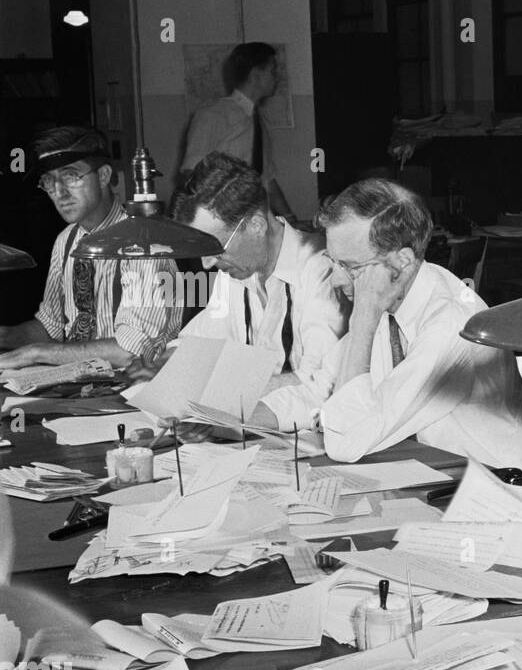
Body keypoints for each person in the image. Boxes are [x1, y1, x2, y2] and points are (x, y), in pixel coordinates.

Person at [315, 178, 522, 477]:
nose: (337, 281)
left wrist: (362, 323)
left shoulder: (452, 322)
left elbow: (345, 442)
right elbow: (322, 386)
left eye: (351, 267)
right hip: (433, 472)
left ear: (403, 260)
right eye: (332, 263)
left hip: (496, 488)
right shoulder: (394, 297)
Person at [169, 153, 346, 430]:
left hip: (310, 438)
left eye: (215, 247)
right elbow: (199, 343)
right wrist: (167, 365)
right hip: (251, 432)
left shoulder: (323, 269)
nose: (206, 264)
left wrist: (225, 393)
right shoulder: (236, 269)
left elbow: (321, 382)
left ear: (256, 225)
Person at [0, 127, 180, 371]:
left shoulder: (144, 243)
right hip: (79, 385)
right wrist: (6, 336)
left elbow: (132, 352)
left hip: (131, 390)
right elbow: (50, 326)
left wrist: (34, 353)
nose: (60, 193)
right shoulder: (66, 241)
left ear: (104, 176)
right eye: (49, 182)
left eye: (71, 176)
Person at [182, 43, 295, 221]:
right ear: (256, 75)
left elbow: (267, 180)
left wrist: (291, 220)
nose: (277, 77)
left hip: (251, 219)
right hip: (221, 218)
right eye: (272, 71)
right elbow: (192, 174)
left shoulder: (258, 121)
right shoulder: (214, 115)